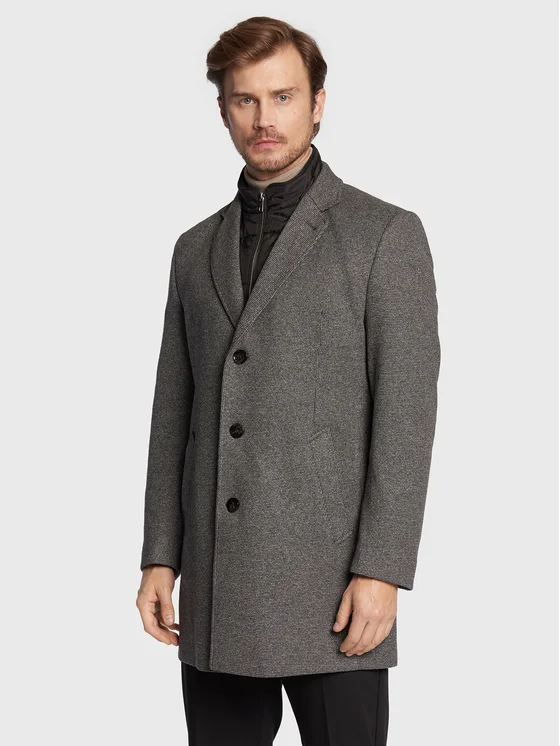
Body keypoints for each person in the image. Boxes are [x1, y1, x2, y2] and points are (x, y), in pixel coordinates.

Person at [136, 15, 440, 746]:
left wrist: (383, 570)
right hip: (217, 584)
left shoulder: (384, 235)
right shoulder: (194, 249)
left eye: (282, 96)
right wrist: (160, 554)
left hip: (335, 590)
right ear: (222, 110)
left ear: (318, 102)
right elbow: (173, 413)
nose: (264, 119)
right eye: (245, 99)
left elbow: (406, 415)